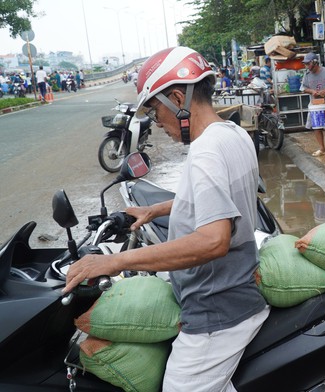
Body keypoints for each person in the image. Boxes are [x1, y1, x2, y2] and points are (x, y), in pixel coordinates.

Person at [63, 46, 270, 392]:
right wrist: (154, 210)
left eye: (156, 111)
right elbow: (218, 201)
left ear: (178, 97)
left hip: (216, 310)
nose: (157, 123)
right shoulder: (232, 135)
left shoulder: (206, 152)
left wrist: (115, 264)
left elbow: (213, 240)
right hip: (234, 291)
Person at [301, 52, 325, 158]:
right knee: (316, 126)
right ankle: (322, 148)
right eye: (306, 64)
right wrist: (312, 91)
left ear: (315, 62)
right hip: (315, 105)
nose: (307, 66)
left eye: (308, 63)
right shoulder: (307, 74)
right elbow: (303, 88)